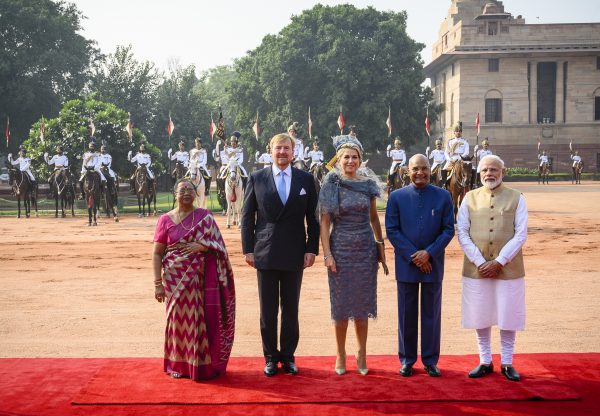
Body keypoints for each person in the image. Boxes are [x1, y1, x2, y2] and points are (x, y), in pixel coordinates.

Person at [241, 133, 319, 377]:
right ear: (270, 151)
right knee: (268, 309)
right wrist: (248, 249)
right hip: (265, 252)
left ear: (293, 151)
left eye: (287, 148)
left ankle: (288, 356)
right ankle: (270, 357)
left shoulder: (306, 179)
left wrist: (311, 248)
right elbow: (246, 217)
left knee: (291, 309)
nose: (282, 152)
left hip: (295, 252)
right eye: (278, 148)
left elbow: (313, 219)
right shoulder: (256, 178)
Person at [153, 178, 236, 380]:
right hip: (174, 281)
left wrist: (204, 246)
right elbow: (157, 253)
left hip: (199, 281)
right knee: (177, 322)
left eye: (191, 189)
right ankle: (178, 365)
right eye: (182, 190)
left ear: (196, 194)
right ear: (175, 194)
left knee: (199, 321)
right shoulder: (164, 219)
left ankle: (200, 366)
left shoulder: (205, 217)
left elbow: (220, 246)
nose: (187, 193)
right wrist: (158, 284)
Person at [319, 134, 386, 376]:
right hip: (340, 249)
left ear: (360, 159)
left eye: (354, 157)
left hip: (365, 251)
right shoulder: (331, 185)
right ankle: (340, 353)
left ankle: (362, 353)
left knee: (362, 304)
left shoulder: (368, 185)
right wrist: (327, 254)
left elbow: (374, 218)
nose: (350, 161)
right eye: (346, 157)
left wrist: (380, 246)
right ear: (338, 160)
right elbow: (324, 223)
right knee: (341, 305)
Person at [456, 155, 527, 382]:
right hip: (477, 269)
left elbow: (521, 234)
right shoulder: (469, 198)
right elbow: (462, 233)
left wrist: (499, 261)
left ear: (502, 172)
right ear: (479, 173)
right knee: (481, 314)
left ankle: (507, 362)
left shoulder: (518, 198)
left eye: (494, 169)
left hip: (509, 268)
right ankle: (485, 361)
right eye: (485, 170)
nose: (489, 173)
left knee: (508, 315)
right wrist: (480, 262)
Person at [385, 154, 455, 377]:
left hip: (433, 264)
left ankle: (430, 360)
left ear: (430, 170)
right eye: (415, 169)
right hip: (407, 264)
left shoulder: (444, 196)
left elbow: (448, 229)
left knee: (431, 315)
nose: (420, 173)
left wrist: (429, 254)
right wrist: (416, 256)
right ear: (407, 170)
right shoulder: (396, 197)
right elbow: (392, 230)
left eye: (424, 168)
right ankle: (407, 359)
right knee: (406, 314)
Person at [443, 122, 470, 187]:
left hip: (462, 159)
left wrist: (461, 158)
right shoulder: (450, 141)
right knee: (444, 169)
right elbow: (446, 152)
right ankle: (444, 184)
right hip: (452, 159)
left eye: (460, 131)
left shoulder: (465, 141)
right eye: (457, 131)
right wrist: (449, 159)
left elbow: (466, 152)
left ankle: (472, 185)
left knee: (472, 169)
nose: (458, 132)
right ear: (454, 132)